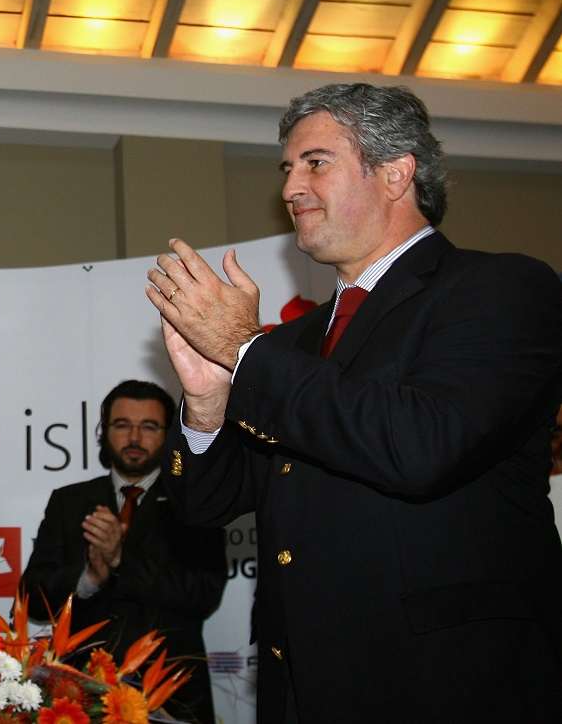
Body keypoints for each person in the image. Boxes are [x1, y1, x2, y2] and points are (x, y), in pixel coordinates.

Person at [148, 83, 562, 724]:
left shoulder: (499, 289)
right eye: (288, 168)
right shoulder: (290, 344)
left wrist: (245, 353)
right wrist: (205, 403)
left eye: (316, 162)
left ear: (397, 174)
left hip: (447, 688)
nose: (290, 188)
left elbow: (422, 447)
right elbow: (204, 505)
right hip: (300, 690)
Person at [20, 380, 225, 724]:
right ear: (104, 431)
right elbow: (34, 597)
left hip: (171, 698)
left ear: (169, 434)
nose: (133, 438)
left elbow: (202, 594)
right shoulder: (69, 502)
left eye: (148, 426)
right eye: (122, 425)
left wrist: (120, 561)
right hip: (79, 699)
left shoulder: (194, 502)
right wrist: (89, 578)